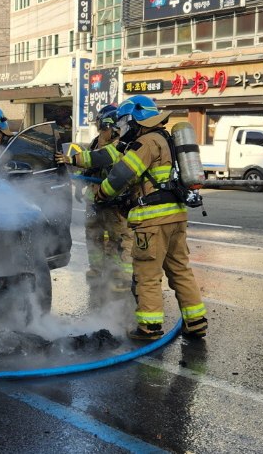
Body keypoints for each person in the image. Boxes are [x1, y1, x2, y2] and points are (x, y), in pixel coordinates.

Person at [63, 95, 206, 341]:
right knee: (180, 270)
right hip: (176, 216)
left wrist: (101, 194)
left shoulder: (145, 143)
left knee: (146, 274)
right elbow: (108, 156)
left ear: (135, 119)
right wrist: (75, 159)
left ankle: (150, 327)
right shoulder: (165, 138)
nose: (123, 128)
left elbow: (121, 176)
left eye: (125, 122)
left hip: (153, 220)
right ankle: (196, 323)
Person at [80, 104, 132, 292]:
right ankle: (97, 269)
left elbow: (108, 163)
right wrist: (81, 184)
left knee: (118, 237)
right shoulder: (95, 143)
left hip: (113, 201)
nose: (99, 130)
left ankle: (121, 274)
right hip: (93, 201)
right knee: (93, 235)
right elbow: (89, 164)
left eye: (102, 126)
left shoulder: (121, 145)